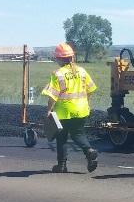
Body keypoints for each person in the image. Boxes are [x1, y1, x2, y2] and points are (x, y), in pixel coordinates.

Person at [42, 43, 98, 173]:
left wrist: (49, 110)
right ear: (72, 57)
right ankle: (89, 151)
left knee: (61, 138)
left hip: (64, 112)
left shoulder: (58, 74)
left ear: (60, 59)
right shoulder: (82, 71)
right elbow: (91, 89)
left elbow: (53, 96)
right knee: (78, 133)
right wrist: (86, 102)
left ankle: (61, 166)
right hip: (82, 109)